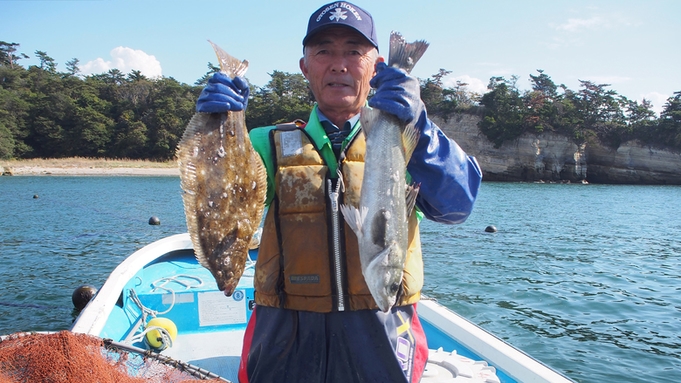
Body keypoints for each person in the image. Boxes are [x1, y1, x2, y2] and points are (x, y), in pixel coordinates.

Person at [195, 2, 482, 382]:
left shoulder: (410, 139)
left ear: (375, 65)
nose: (339, 64)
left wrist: (421, 125)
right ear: (305, 66)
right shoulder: (266, 143)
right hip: (284, 335)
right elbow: (222, 220)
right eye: (324, 51)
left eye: (353, 51)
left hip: (383, 333)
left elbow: (456, 206)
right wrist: (212, 127)